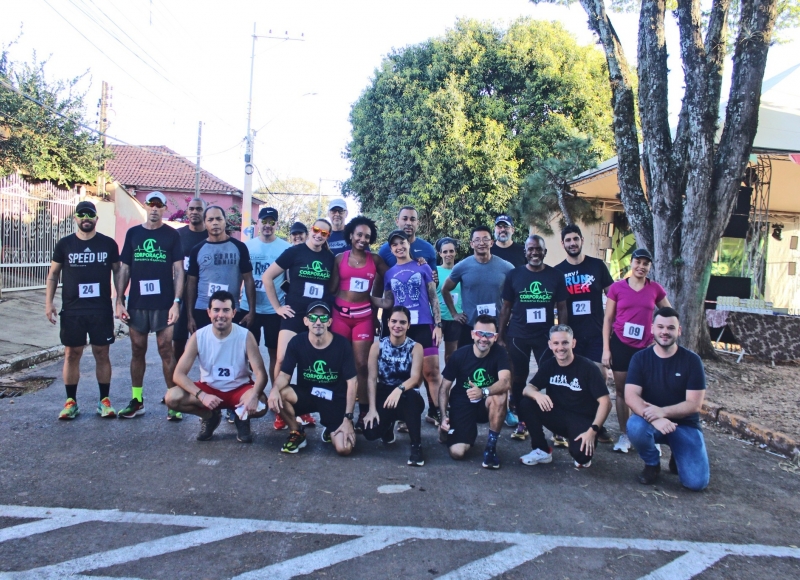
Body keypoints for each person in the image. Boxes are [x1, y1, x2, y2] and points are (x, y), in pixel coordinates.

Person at [45, 200, 121, 420]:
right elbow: (53, 274)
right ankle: (71, 402)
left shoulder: (108, 244)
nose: (86, 218)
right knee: (71, 354)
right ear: (75, 218)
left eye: (90, 215)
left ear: (96, 218)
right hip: (73, 310)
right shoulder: (65, 244)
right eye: (82, 215)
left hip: (100, 309)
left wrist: (119, 300)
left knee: (102, 353)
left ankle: (104, 401)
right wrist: (48, 303)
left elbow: (118, 273)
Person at [166, 290, 268, 443]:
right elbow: (178, 374)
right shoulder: (198, 336)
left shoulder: (245, 336)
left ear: (233, 313)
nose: (221, 315)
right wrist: (202, 395)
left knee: (262, 403)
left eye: (226, 310)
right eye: (216, 310)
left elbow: (261, 374)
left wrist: (253, 395)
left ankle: (242, 417)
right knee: (172, 397)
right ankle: (210, 417)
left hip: (239, 390)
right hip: (210, 389)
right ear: (209, 312)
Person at [116, 191, 184, 420]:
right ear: (145, 206)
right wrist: (119, 301)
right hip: (137, 303)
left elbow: (179, 271)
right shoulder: (133, 233)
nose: (154, 208)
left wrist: (176, 303)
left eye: (159, 205)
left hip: (164, 303)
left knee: (166, 349)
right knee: (137, 349)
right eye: (151, 204)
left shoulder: (172, 235)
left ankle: (174, 401)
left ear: (164, 209)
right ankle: (137, 401)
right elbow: (125, 268)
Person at [625, 308, 709, 491]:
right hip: (650, 422)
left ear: (679, 331)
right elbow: (631, 396)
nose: (665, 332)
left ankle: (677, 455)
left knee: (696, 483)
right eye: (660, 327)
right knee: (634, 426)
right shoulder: (640, 358)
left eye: (671, 328)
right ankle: (652, 463)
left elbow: (694, 404)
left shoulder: (692, 361)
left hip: (685, 425)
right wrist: (656, 418)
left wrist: (662, 412)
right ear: (652, 328)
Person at [262, 218, 335, 428]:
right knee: (282, 359)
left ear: (328, 236)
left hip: (316, 318)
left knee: (308, 364)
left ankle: (304, 410)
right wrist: (277, 307)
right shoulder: (295, 252)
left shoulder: (329, 258)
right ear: (311, 230)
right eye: (316, 230)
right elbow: (267, 277)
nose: (319, 234)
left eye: (324, 233)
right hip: (294, 314)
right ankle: (279, 409)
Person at [498, 235, 568, 441]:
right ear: (525, 252)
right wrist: (501, 335)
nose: (534, 253)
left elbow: (562, 307)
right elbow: (506, 308)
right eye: (530, 249)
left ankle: (557, 425)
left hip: (545, 337)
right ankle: (523, 421)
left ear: (545, 252)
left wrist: (562, 334)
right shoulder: (514, 275)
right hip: (518, 335)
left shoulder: (556, 275)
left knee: (552, 378)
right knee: (518, 378)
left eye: (538, 249)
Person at [602, 248, 670, 453]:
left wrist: (660, 335)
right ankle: (625, 435)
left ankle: (650, 435)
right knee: (622, 391)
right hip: (620, 345)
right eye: (638, 262)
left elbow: (669, 313)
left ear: (650, 266)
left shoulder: (655, 289)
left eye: (645, 263)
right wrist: (606, 349)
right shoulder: (617, 288)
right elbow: (608, 319)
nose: (641, 266)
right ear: (631, 263)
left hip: (645, 348)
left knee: (648, 392)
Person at [267, 301, 358, 456]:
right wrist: (274, 390)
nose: (318, 322)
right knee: (280, 394)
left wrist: (348, 419)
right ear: (306, 321)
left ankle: (331, 427)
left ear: (329, 322)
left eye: (323, 318)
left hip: (334, 398)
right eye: (313, 317)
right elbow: (284, 375)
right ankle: (297, 431)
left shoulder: (342, 344)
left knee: (344, 448)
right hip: (307, 394)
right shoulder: (297, 342)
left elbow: (352, 382)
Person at [517, 325, 612, 468]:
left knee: (582, 458)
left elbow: (606, 402)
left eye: (565, 342)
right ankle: (541, 450)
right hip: (557, 416)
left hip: (581, 419)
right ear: (550, 345)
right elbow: (527, 389)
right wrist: (537, 395)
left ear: (573, 343)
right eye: (556, 343)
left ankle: (579, 444)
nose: (560, 347)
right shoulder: (549, 365)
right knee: (527, 403)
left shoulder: (588, 368)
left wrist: (593, 430)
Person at [375, 230, 443, 427]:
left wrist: (438, 325)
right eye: (394, 244)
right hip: (401, 328)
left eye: (402, 242)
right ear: (391, 249)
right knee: (405, 373)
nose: (399, 247)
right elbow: (388, 302)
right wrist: (364, 299)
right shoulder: (389, 273)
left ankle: (440, 414)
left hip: (423, 324)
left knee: (432, 372)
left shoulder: (423, 267)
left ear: (408, 244)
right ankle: (406, 415)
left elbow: (433, 297)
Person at [328, 216, 388, 428]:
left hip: (364, 317)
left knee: (362, 365)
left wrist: (383, 302)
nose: (363, 239)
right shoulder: (339, 258)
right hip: (340, 316)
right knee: (337, 364)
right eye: (359, 235)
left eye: (367, 236)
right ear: (351, 235)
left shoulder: (375, 260)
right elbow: (332, 288)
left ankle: (363, 411)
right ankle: (338, 411)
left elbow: (394, 275)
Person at [438, 315, 511, 469]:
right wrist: (443, 416)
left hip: (485, 401)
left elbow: (505, 382)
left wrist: (483, 391)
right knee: (457, 453)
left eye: (488, 335)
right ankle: (448, 429)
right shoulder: (459, 355)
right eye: (479, 333)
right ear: (472, 334)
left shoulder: (500, 353)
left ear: (495, 337)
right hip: (463, 403)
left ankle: (491, 448)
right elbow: (444, 388)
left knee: (500, 395)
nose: (483, 339)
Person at [362, 306, 426, 466]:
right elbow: (371, 379)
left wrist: (399, 389)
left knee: (412, 399)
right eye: (394, 321)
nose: (398, 325)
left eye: (402, 322)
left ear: (408, 325)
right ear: (388, 322)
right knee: (370, 433)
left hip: (407, 394)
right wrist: (371, 409)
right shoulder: (377, 346)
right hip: (384, 393)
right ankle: (387, 426)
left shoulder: (416, 347)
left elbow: (415, 378)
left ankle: (416, 446)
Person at [238, 206, 291, 386]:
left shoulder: (286, 248)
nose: (268, 225)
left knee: (274, 354)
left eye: (271, 222)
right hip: (248, 307)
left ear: (277, 224)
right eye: (264, 221)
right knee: (246, 353)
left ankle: (275, 393)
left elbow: (290, 279)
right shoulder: (247, 246)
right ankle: (249, 392)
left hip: (274, 310)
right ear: (258, 223)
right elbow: (240, 275)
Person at [186, 206, 256, 334]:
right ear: (205, 223)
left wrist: (252, 311)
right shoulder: (197, 249)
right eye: (210, 219)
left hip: (230, 309)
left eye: (219, 219)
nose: (215, 223)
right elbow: (191, 283)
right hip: (203, 308)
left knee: (231, 345)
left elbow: (249, 280)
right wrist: (190, 316)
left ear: (225, 221)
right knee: (204, 346)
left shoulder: (239, 247)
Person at [441, 226, 514, 349]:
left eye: (485, 239)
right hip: (470, 326)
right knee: (467, 360)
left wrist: (512, 313)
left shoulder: (506, 267)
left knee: (500, 359)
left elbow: (517, 291)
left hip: (496, 327)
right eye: (477, 240)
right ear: (471, 244)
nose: (481, 243)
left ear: (491, 242)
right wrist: (454, 314)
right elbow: (445, 289)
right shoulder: (462, 267)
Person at [173, 197, 208, 362]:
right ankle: (177, 377)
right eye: (191, 209)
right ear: (187, 211)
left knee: (205, 343)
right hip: (181, 295)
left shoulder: (211, 235)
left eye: (199, 209)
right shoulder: (177, 235)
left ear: (205, 212)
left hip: (203, 296)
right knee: (178, 342)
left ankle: (206, 376)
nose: (194, 212)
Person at [435, 237, 462, 364]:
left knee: (451, 356)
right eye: (445, 252)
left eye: (451, 251)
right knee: (432, 356)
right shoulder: (435, 271)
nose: (448, 254)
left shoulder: (461, 271)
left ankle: (449, 377)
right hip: (438, 318)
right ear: (440, 253)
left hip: (455, 319)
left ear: (455, 252)